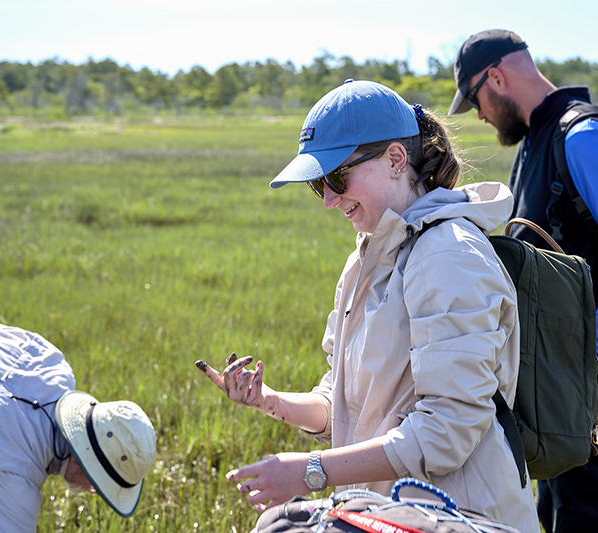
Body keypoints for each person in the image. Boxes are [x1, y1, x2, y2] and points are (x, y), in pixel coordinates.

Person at [197, 79, 540, 532]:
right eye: (317, 184)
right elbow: (342, 402)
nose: (327, 200)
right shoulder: (366, 258)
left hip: (459, 516)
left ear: (396, 160)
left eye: (337, 177)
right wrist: (269, 400)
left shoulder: (448, 255)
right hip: (386, 513)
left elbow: (447, 431)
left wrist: (310, 470)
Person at [448, 29, 598, 533]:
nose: (479, 114)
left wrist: (594, 352)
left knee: (588, 516)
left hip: (582, 371)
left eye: (476, 99)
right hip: (549, 370)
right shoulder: (538, 139)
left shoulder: (581, 136)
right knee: (551, 511)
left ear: (496, 77)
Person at [0, 307, 157, 532]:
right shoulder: (13, 472)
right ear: (83, 462)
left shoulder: (51, 363)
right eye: (98, 486)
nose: (93, 492)